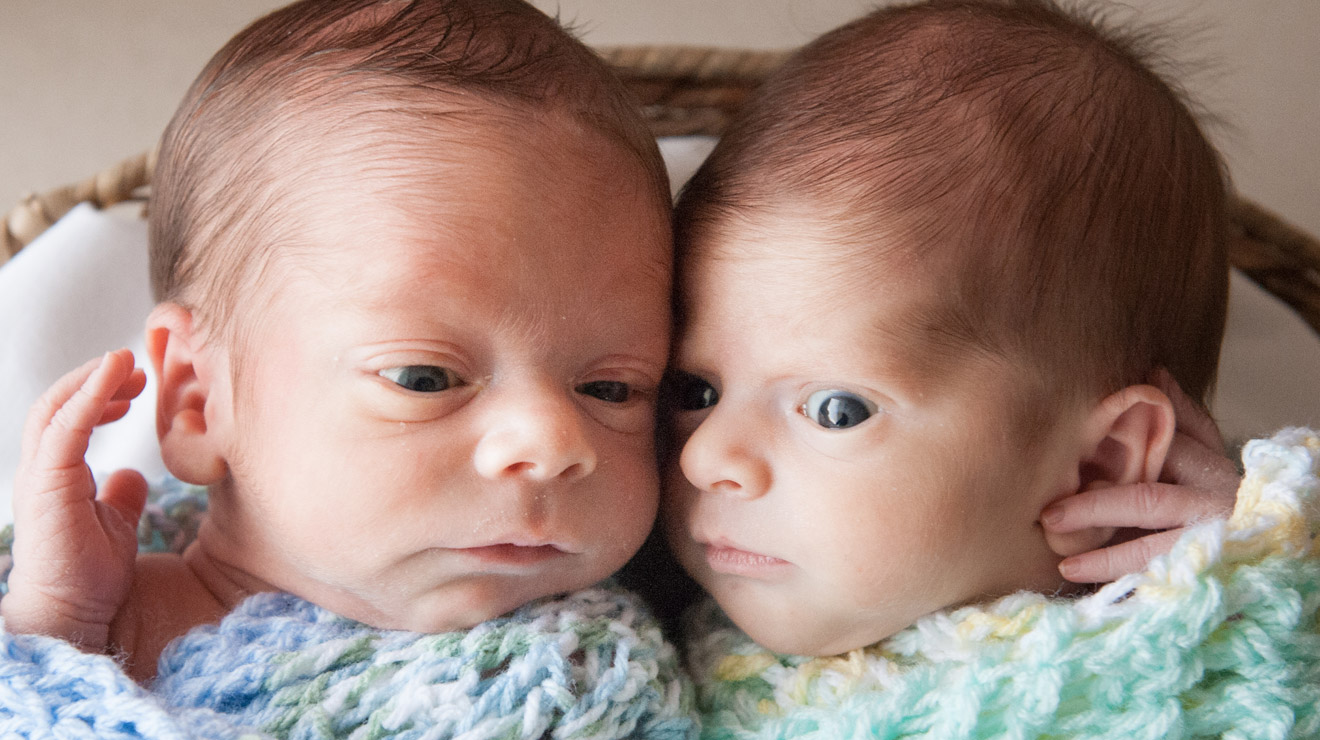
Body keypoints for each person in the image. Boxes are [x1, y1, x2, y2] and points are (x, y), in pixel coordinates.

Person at [0, 1, 695, 737]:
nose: (556, 442)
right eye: (425, 378)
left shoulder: (592, 673)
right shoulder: (91, 624)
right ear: (200, 400)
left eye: (610, 389)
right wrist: (53, 625)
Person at [661, 0, 1317, 735]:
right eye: (696, 391)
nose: (705, 455)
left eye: (836, 410)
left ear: (1100, 465)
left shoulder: (1198, 652)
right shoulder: (643, 630)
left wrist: (1262, 574)